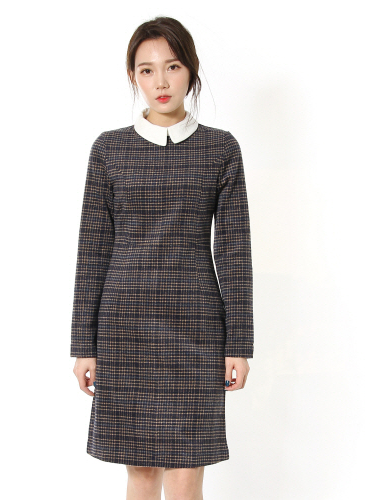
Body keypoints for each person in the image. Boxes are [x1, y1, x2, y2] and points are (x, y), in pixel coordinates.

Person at [71, 16, 253, 500]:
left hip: (197, 328)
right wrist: (83, 344)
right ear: (133, 76)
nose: (161, 81)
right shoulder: (109, 149)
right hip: (124, 327)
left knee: (188, 471)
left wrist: (239, 343)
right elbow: (92, 250)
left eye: (172, 66)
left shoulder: (220, 148)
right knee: (141, 471)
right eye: (147, 70)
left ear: (191, 69)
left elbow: (234, 250)